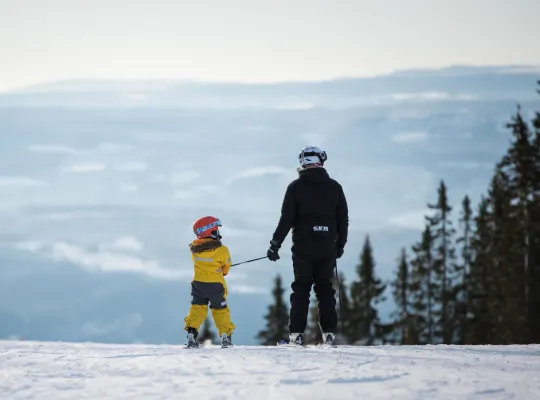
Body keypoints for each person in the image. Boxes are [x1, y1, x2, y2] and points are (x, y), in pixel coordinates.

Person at [267, 146, 349, 346]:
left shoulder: (295, 187)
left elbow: (286, 219)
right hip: (327, 245)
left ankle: (296, 335)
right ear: (320, 161)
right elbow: (343, 219)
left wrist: (275, 245)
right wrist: (340, 244)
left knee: (301, 289)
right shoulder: (335, 187)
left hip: (303, 245)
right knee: (325, 289)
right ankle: (329, 334)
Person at [184, 216, 236, 348]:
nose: (218, 233)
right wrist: (222, 270)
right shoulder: (222, 250)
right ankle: (225, 336)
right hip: (216, 286)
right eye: (216, 230)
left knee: (197, 308)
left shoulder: (195, 249)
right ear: (209, 231)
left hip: (198, 284)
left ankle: (191, 333)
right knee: (220, 310)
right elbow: (226, 268)